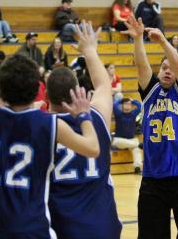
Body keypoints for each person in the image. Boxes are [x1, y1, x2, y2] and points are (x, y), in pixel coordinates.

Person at [0, 54, 100, 238]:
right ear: (37, 89)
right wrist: (84, 116)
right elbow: (92, 148)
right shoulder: (48, 123)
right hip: (30, 229)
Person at [122, 16, 178, 239]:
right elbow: (141, 65)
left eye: (171, 68)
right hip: (153, 181)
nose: (167, 71)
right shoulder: (150, 91)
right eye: (163, 67)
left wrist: (161, 41)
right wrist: (139, 38)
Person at [48, 22, 123, 239]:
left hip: (61, 226)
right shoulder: (97, 117)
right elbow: (103, 85)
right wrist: (90, 50)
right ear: (77, 91)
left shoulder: (41, 126)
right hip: (102, 225)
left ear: (46, 97)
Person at [112, 97, 143, 174]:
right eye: (125, 104)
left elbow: (139, 106)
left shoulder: (133, 114)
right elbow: (114, 104)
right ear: (122, 105)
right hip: (119, 141)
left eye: (129, 104)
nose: (128, 105)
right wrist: (120, 99)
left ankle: (137, 168)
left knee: (136, 149)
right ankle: (138, 144)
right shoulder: (119, 113)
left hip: (130, 140)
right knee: (136, 144)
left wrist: (133, 100)